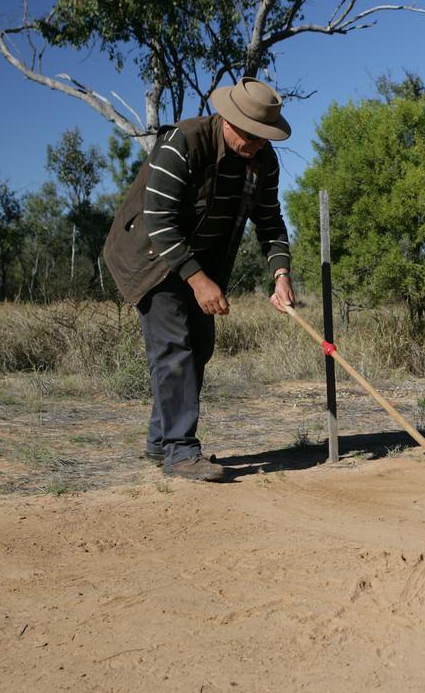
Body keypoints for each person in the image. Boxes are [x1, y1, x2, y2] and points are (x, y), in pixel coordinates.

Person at [103, 77, 296, 481]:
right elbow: (160, 220)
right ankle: (180, 451)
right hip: (152, 256)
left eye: (264, 137)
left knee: (200, 346)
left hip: (202, 262)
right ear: (227, 119)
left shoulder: (264, 160)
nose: (257, 143)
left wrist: (281, 274)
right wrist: (196, 279)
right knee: (175, 347)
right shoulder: (184, 143)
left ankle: (161, 440)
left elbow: (270, 221)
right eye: (251, 134)